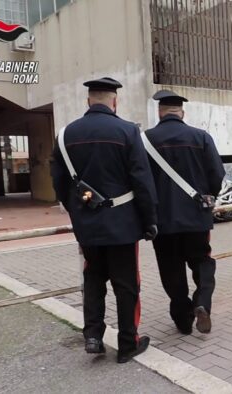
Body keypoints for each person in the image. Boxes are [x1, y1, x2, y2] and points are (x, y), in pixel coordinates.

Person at [51, 77, 158, 363]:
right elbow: (142, 181)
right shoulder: (127, 132)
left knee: (94, 279)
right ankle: (127, 344)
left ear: (88, 101)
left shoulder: (65, 136)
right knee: (127, 285)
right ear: (114, 101)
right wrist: (150, 221)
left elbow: (60, 183)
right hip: (122, 224)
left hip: (87, 226)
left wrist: (78, 212)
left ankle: (94, 337)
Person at [143, 90, 225, 335]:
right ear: (182, 113)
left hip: (162, 221)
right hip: (196, 218)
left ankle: (182, 319)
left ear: (160, 112)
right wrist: (207, 198)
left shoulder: (145, 140)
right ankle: (202, 302)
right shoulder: (201, 137)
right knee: (202, 262)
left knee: (171, 269)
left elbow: (140, 180)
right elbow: (217, 174)